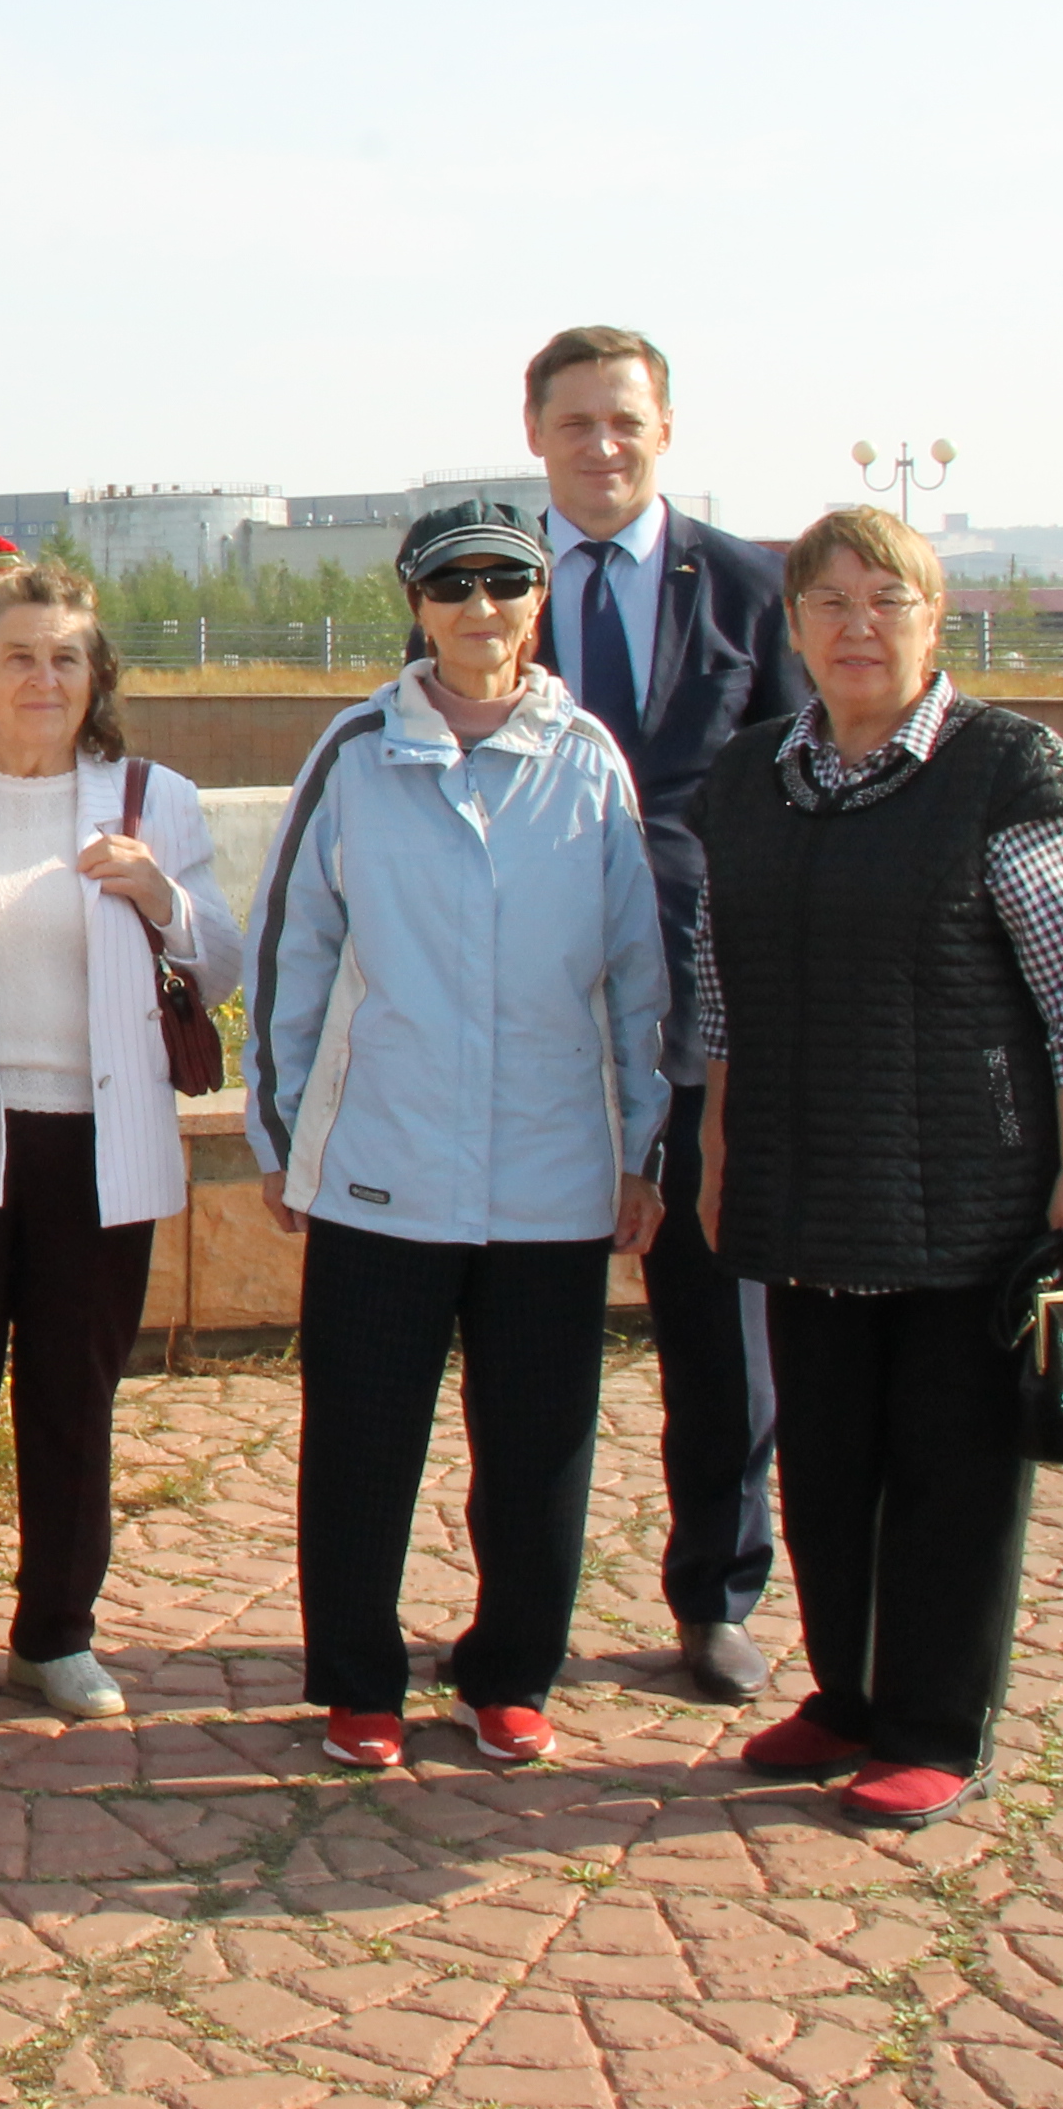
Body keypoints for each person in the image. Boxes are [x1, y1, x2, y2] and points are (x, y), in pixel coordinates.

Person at [695, 506, 1063, 1828]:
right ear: (793, 631)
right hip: (800, 1179)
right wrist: (720, 1143)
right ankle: (847, 1697)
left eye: (886, 599)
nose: (856, 628)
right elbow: (722, 987)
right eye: (825, 603)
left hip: (971, 1192)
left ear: (937, 620)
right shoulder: (753, 776)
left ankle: (940, 1725)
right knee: (826, 1458)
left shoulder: (1003, 768)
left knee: (951, 1468)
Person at [248, 500, 668, 1773]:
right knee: (364, 1439)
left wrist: (641, 1148)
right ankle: (361, 1680)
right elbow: (294, 951)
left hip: (551, 1174)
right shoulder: (358, 752)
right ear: (415, 604)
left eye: (508, 584)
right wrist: (282, 1133)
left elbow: (636, 974)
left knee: (538, 1447)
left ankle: (509, 1670)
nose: (481, 610)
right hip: (388, 1167)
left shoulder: (588, 757)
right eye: (453, 587)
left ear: (538, 600)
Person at [523, 324, 806, 1705]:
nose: (603, 446)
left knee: (717, 1328)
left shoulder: (752, 587)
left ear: (667, 430)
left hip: (711, 1015)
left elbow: (809, 780)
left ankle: (719, 1594)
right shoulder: (489, 588)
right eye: (576, 423)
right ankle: (526, 1610)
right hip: (537, 1020)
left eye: (625, 421)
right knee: (533, 1336)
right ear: (536, 438)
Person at [0, 561, 246, 1725]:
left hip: (99, 1151)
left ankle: (57, 1633)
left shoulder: (154, 798)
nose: (43, 677)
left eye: (65, 657)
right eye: (18, 655)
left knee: (74, 1396)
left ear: (95, 676)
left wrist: (162, 896)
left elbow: (220, 964)